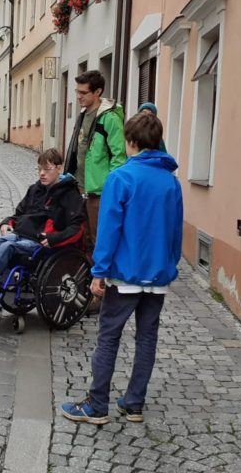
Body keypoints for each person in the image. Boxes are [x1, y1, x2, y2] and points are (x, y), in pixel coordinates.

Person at [61, 113, 182, 425]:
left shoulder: (121, 178)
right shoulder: (171, 182)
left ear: (130, 142)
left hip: (125, 274)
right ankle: (134, 403)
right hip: (157, 276)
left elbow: (109, 230)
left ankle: (97, 404)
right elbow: (175, 230)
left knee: (109, 336)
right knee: (147, 338)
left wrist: (99, 272)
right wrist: (169, 264)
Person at [0, 148, 85, 307]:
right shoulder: (35, 189)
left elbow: (77, 227)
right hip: (20, 234)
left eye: (47, 169)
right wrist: (6, 223)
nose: (42, 174)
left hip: (39, 242)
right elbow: (19, 214)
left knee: (7, 246)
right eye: (39, 169)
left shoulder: (69, 194)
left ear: (59, 168)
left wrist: (54, 238)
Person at [64, 70, 126, 252]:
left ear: (98, 92)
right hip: (79, 187)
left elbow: (119, 157)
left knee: (98, 239)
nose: (78, 96)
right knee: (82, 237)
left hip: (99, 192)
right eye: (77, 91)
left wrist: (110, 188)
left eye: (83, 93)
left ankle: (99, 271)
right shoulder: (83, 114)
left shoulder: (110, 119)